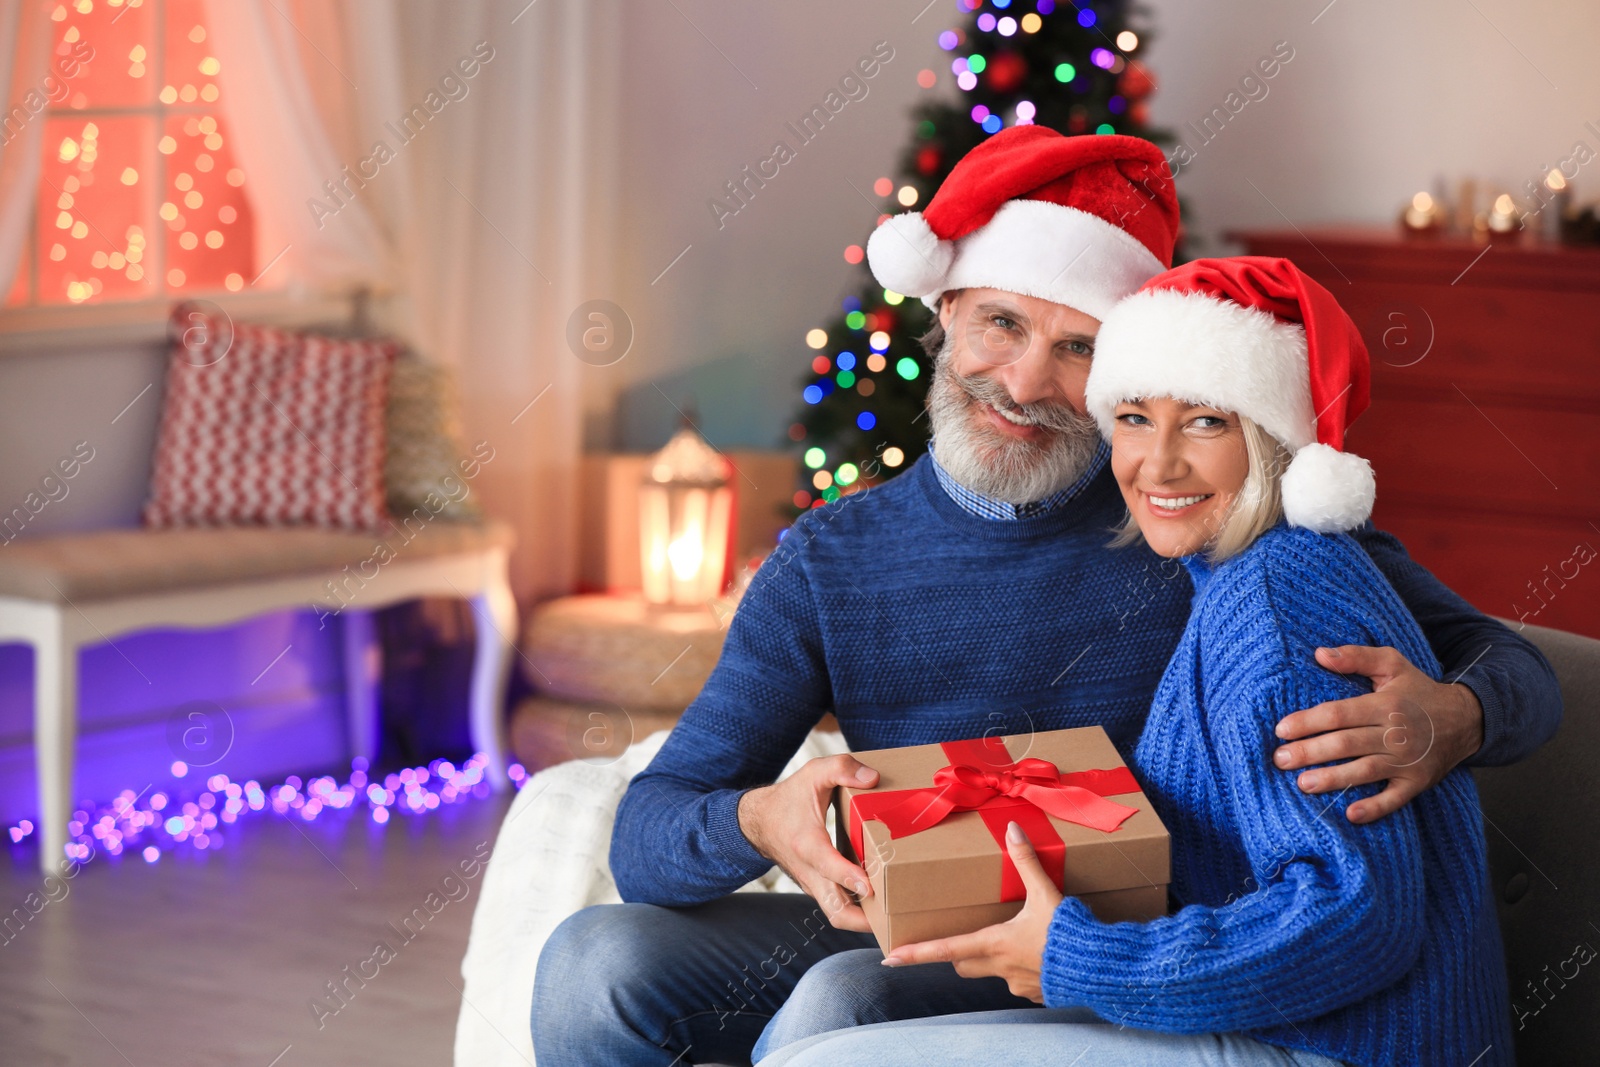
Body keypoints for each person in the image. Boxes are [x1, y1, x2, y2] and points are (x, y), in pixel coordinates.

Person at [531, 130, 1554, 1067]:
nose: (1023, 380)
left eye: (1078, 349)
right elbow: (647, 834)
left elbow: (1516, 669)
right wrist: (758, 818)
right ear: (942, 315)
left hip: (1142, 934)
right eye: (1001, 324)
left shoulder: (1204, 512)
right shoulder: (831, 559)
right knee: (595, 963)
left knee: (839, 1002)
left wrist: (1455, 715)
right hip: (932, 901)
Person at [756, 257, 1513, 1067]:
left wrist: (1078, 954)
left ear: (1272, 440)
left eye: (1207, 422)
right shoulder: (1237, 574)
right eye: (1134, 417)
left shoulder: (1278, 599)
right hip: (1258, 1018)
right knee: (836, 1015)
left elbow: (1356, 919)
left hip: (1338, 1049)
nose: (1158, 465)